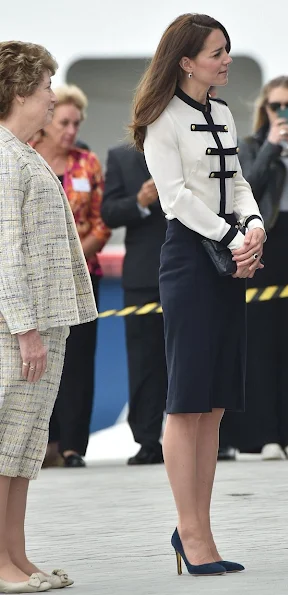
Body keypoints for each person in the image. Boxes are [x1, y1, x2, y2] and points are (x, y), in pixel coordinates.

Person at [131, 13, 265, 576]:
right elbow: (176, 198)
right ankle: (190, 532)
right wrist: (233, 236)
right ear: (187, 61)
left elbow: (235, 180)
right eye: (217, 52)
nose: (226, 59)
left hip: (227, 257)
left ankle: (200, 527)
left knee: (212, 404)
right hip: (190, 260)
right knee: (186, 401)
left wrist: (254, 223)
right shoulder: (162, 119)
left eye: (227, 50)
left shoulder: (225, 113)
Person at [0, 41, 97, 592]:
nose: (49, 97)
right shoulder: (5, 158)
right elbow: (5, 251)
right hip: (17, 329)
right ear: (18, 92)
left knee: (24, 448)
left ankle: (15, 553)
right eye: (43, 87)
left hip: (42, 322)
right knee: (3, 446)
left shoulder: (24, 152)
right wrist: (25, 329)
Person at [234, 76, 288, 460]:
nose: (283, 113)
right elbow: (244, 188)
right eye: (275, 106)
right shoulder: (251, 147)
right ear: (264, 110)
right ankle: (265, 433)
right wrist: (271, 146)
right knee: (261, 341)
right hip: (262, 241)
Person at [32, 85, 111, 468]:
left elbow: (101, 222)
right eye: (64, 122)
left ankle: (72, 445)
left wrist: (74, 257)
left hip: (82, 274)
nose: (71, 130)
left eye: (76, 123)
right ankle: (41, 444)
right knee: (39, 358)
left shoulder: (87, 163)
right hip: (37, 278)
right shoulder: (24, 156)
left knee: (79, 360)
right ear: (47, 123)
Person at [101, 144, 167, 465]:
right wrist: (139, 202)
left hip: (192, 268)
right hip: (143, 274)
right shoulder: (121, 157)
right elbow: (108, 212)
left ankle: (211, 437)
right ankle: (147, 439)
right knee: (144, 361)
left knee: (196, 355)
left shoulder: (189, 145)